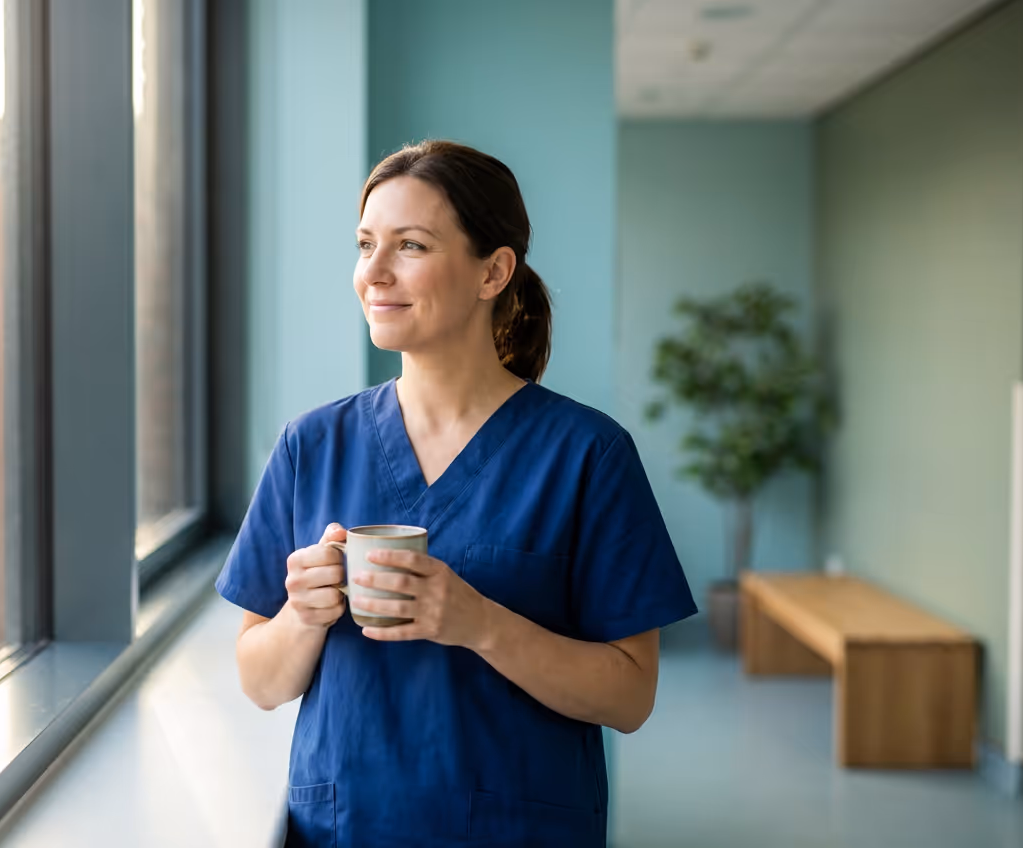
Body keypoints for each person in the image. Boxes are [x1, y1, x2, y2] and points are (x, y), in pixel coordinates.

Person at [215, 140, 697, 847]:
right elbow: (260, 680)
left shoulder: (587, 454)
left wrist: (479, 623)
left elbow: (630, 695)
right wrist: (303, 617)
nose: (373, 273)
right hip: (345, 829)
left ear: (493, 272)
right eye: (365, 244)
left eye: (410, 245)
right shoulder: (311, 447)